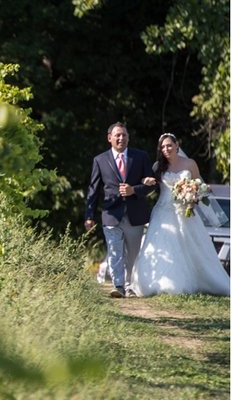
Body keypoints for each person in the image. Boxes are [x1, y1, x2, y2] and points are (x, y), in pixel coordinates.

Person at [129, 133, 231, 297]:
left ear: (177, 145)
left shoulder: (190, 164)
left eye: (169, 145)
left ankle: (202, 281)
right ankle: (162, 282)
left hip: (186, 212)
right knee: (161, 246)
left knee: (193, 247)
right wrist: (143, 182)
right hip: (163, 211)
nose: (166, 149)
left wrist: (194, 195)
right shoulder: (158, 166)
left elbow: (200, 185)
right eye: (162, 147)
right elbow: (149, 186)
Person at [85, 122, 156, 297]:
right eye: (117, 135)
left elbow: (151, 184)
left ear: (128, 137)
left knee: (132, 254)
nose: (121, 138)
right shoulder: (100, 160)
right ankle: (118, 286)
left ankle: (130, 286)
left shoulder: (140, 157)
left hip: (135, 214)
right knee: (114, 251)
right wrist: (89, 215)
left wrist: (134, 190)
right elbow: (93, 190)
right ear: (109, 138)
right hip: (110, 214)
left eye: (124, 135)